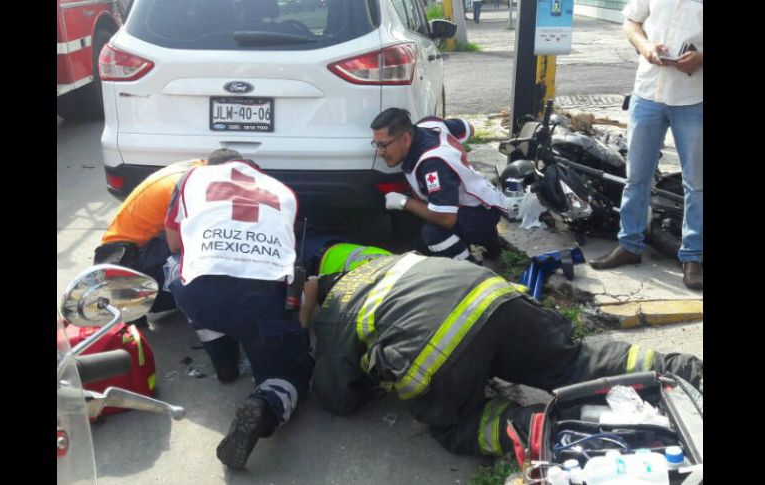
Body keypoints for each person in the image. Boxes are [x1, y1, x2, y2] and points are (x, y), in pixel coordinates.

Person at [299, 253, 703, 460]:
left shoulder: (333, 314)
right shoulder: (380, 265)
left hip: (441, 343)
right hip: (496, 297)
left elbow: (338, 399)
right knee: (571, 362)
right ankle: (680, 371)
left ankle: (548, 427)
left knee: (456, 427)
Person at [164, 155, 313, 470]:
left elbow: (175, 242)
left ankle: (224, 360)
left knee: (178, 264)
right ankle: (264, 402)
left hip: (202, 294)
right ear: (255, 171)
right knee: (290, 374)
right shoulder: (284, 191)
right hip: (266, 299)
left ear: (213, 165)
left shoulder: (192, 178)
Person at [590, 0, 702, 291]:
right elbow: (632, 23)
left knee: (697, 184)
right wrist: (645, 47)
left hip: (694, 99)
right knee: (636, 177)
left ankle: (693, 257)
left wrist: (701, 57)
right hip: (647, 93)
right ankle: (629, 245)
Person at [93, 148, 242, 321]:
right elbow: (176, 244)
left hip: (120, 256)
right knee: (206, 241)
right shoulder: (191, 187)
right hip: (125, 265)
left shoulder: (196, 167)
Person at [371, 108, 510, 263]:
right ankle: (490, 242)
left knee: (433, 235)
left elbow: (446, 218)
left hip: (479, 212)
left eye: (383, 145)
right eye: (376, 145)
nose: (379, 152)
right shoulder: (429, 125)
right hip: (483, 199)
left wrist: (404, 202)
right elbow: (467, 128)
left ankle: (471, 269)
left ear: (406, 139)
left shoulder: (431, 164)